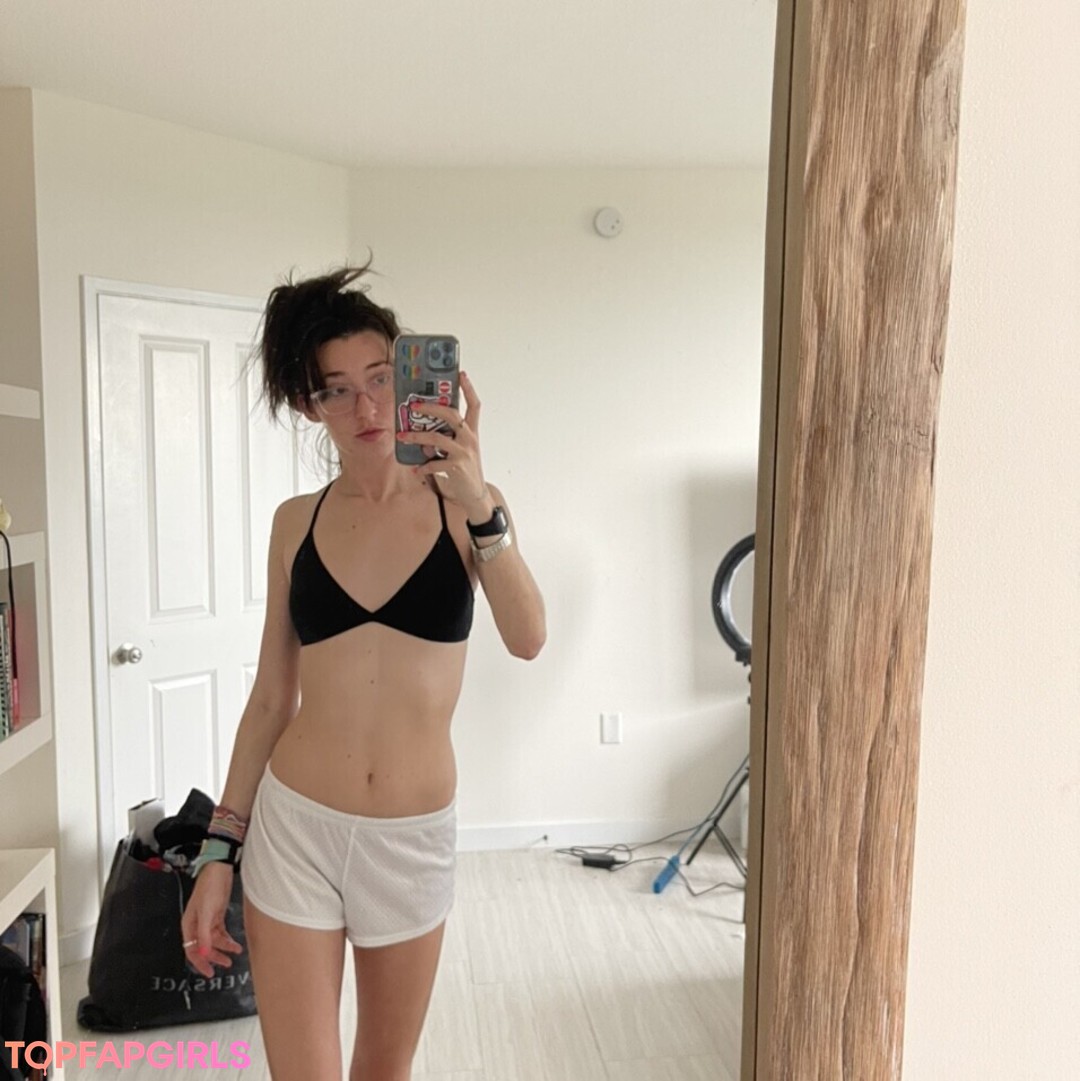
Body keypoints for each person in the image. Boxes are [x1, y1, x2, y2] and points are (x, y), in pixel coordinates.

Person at [180, 262, 546, 1081]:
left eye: (381, 378)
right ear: (309, 404)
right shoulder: (295, 524)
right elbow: (270, 699)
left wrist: (480, 503)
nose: (368, 408)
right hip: (296, 830)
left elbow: (528, 637)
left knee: (383, 1068)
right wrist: (216, 854)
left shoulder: (469, 508)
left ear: (414, 376)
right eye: (337, 390)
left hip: (410, 840)